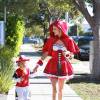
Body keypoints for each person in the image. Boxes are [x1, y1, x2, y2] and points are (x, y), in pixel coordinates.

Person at [33, 19, 79, 100]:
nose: (53, 31)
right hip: (53, 65)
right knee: (54, 89)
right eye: (52, 29)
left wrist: (68, 54)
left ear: (60, 28)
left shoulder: (69, 40)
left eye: (54, 29)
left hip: (64, 66)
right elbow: (45, 54)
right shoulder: (51, 40)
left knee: (61, 90)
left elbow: (72, 55)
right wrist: (37, 65)